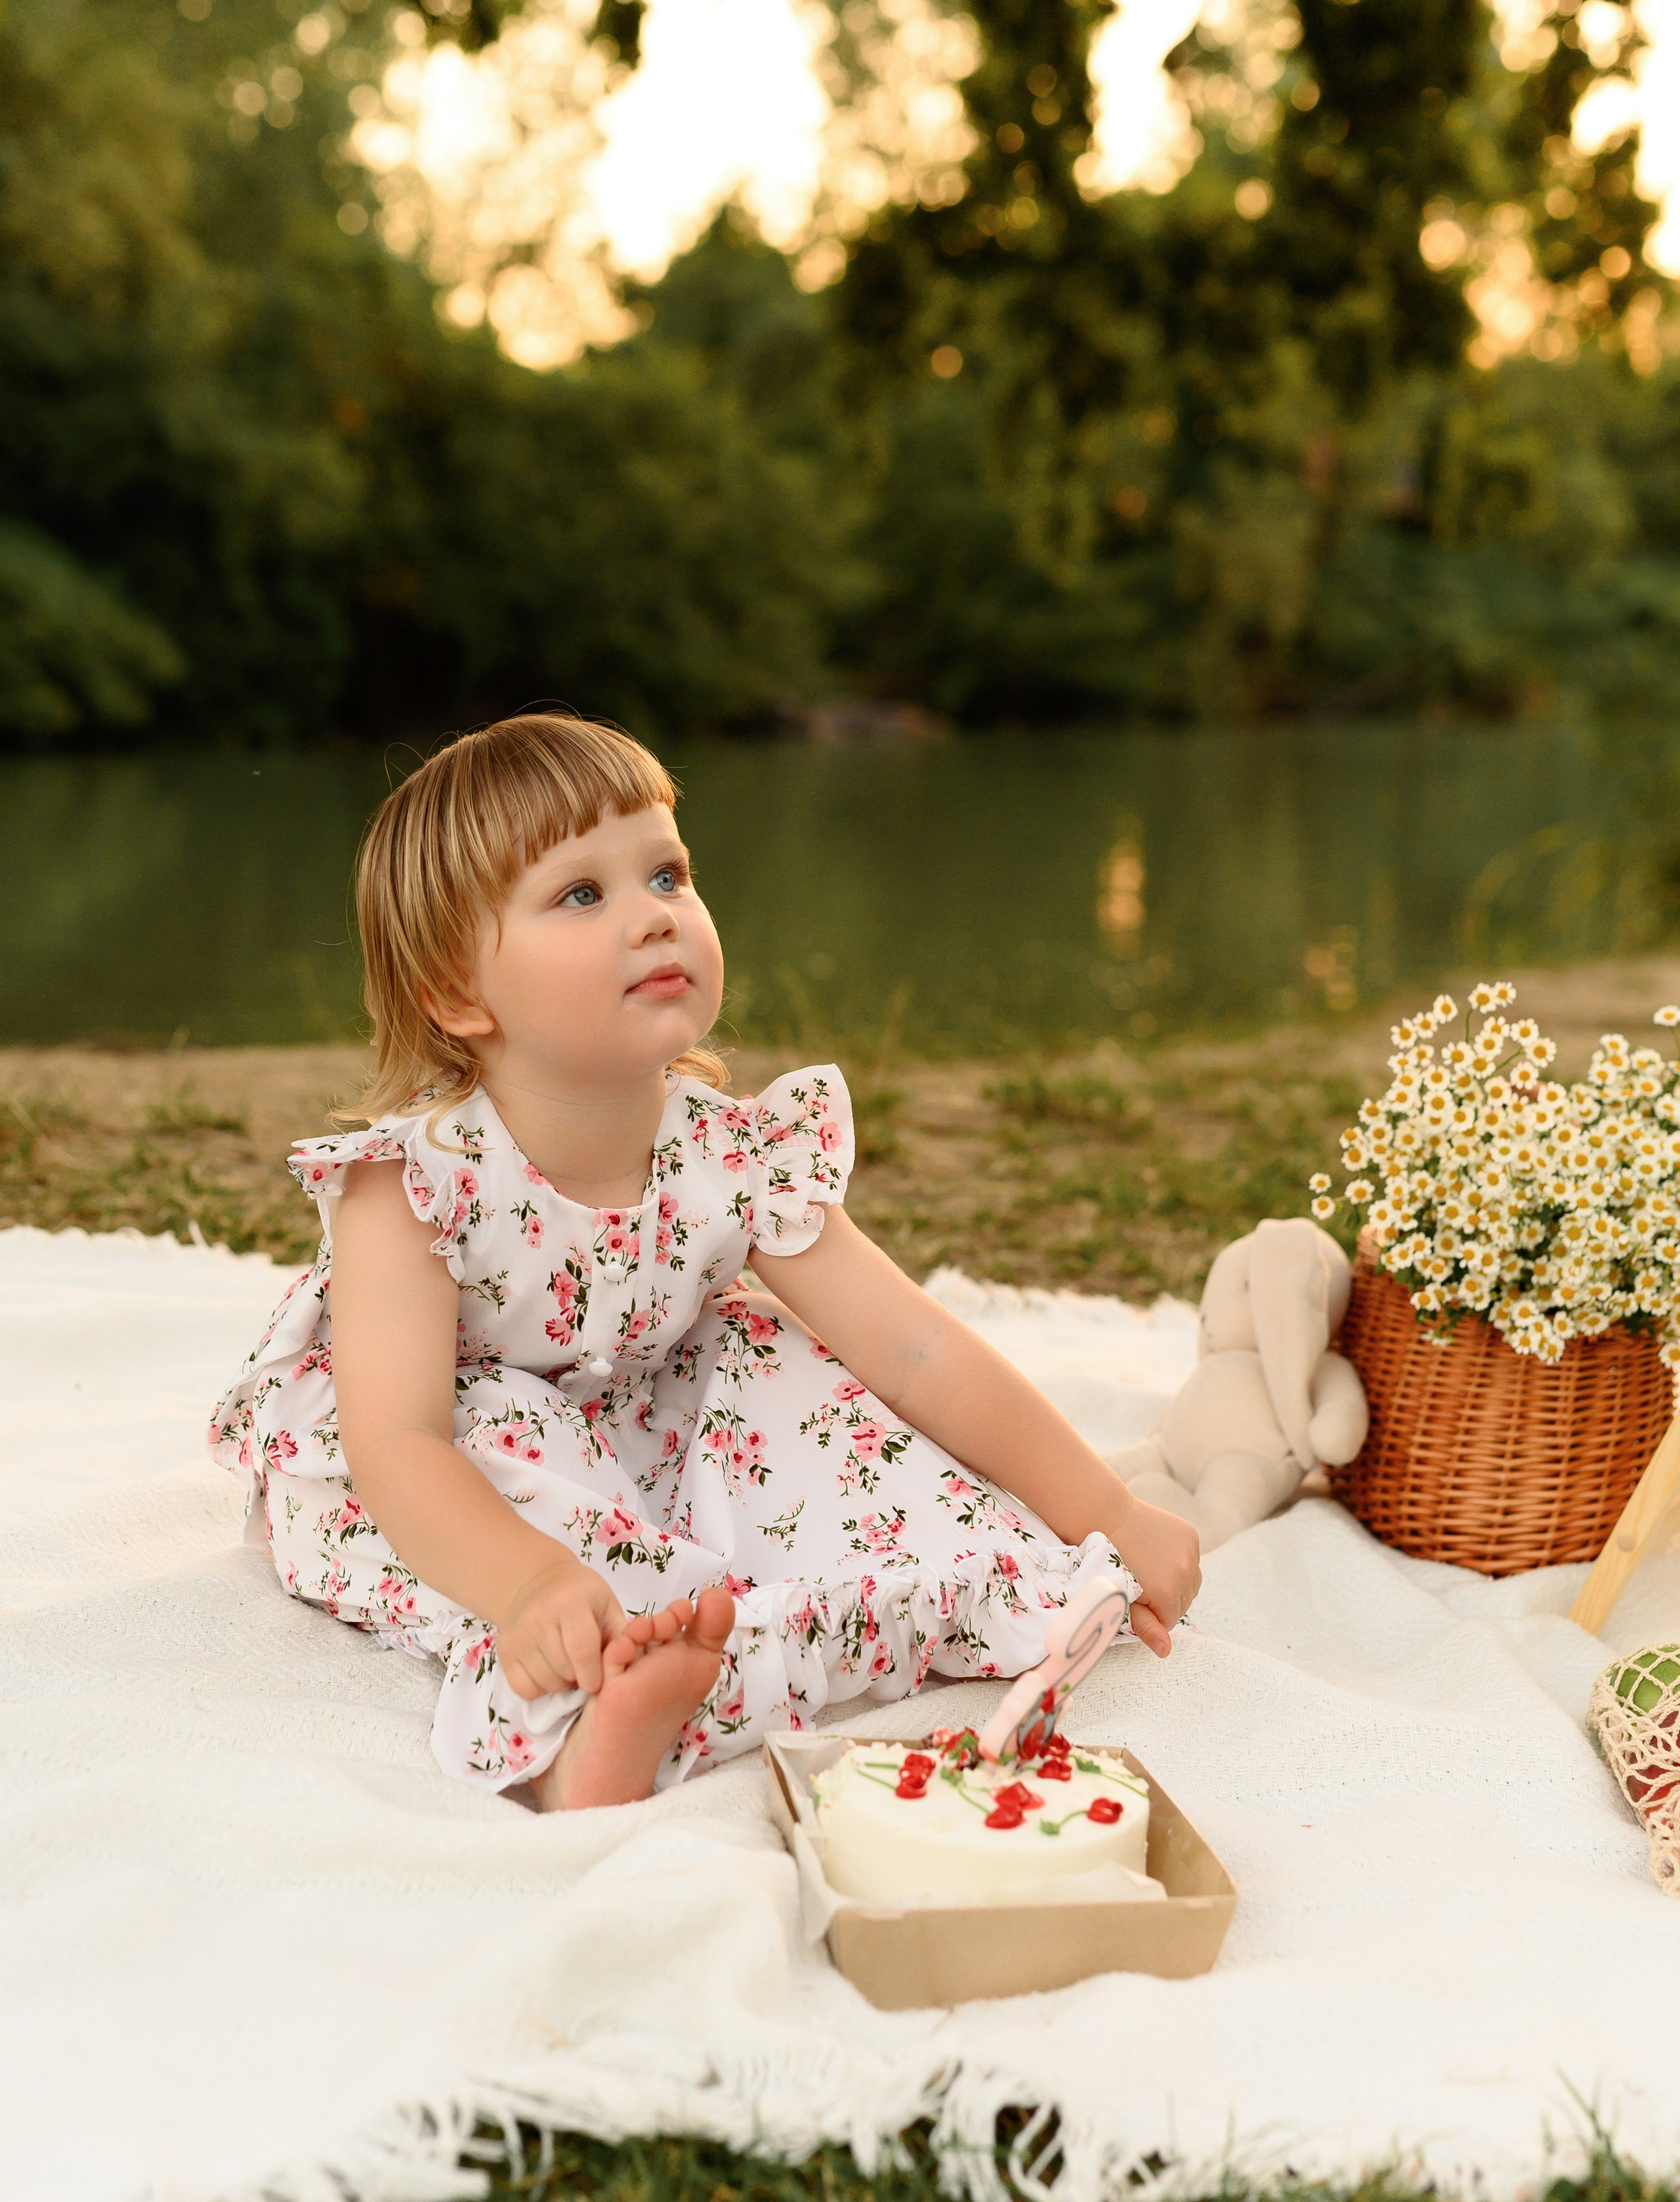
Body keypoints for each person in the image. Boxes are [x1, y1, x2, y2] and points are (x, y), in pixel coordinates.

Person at [210, 715, 1200, 1810]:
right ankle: (579, 1730)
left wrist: (1105, 1509)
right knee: (528, 1508)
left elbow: (914, 1348)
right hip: (451, 1471)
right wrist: (531, 1581)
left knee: (815, 1392)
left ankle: (921, 1597)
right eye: (582, 895)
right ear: (456, 994)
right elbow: (399, 1442)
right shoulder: (414, 1184)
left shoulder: (734, 1155)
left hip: (655, 1422)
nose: (652, 918)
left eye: (668, 874)